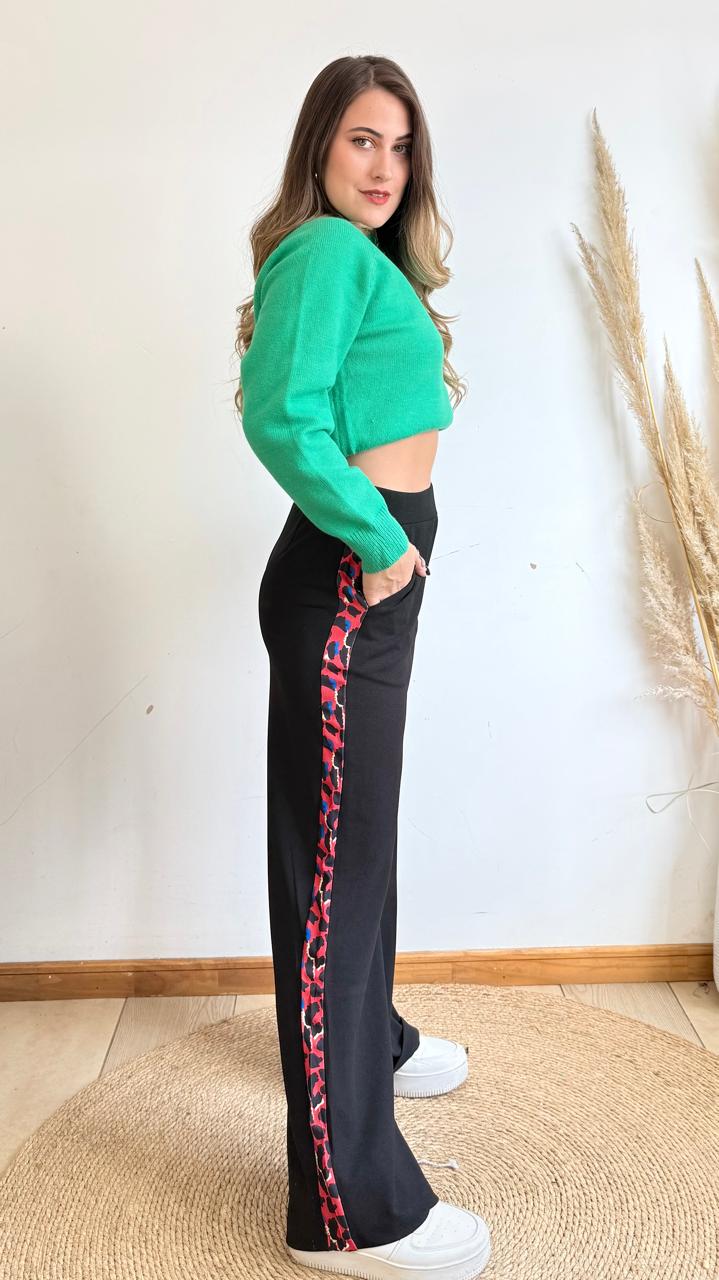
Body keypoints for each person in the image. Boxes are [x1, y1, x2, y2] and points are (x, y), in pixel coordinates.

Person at [235, 54, 492, 1280]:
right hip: (352, 570)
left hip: (366, 570)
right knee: (337, 860)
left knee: (355, 843)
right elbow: (278, 413)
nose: (383, 166)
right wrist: (380, 541)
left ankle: (366, 1039)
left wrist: (389, 544)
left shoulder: (364, 258)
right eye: (359, 141)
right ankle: (343, 1210)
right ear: (319, 150)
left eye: (399, 146)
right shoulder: (325, 251)